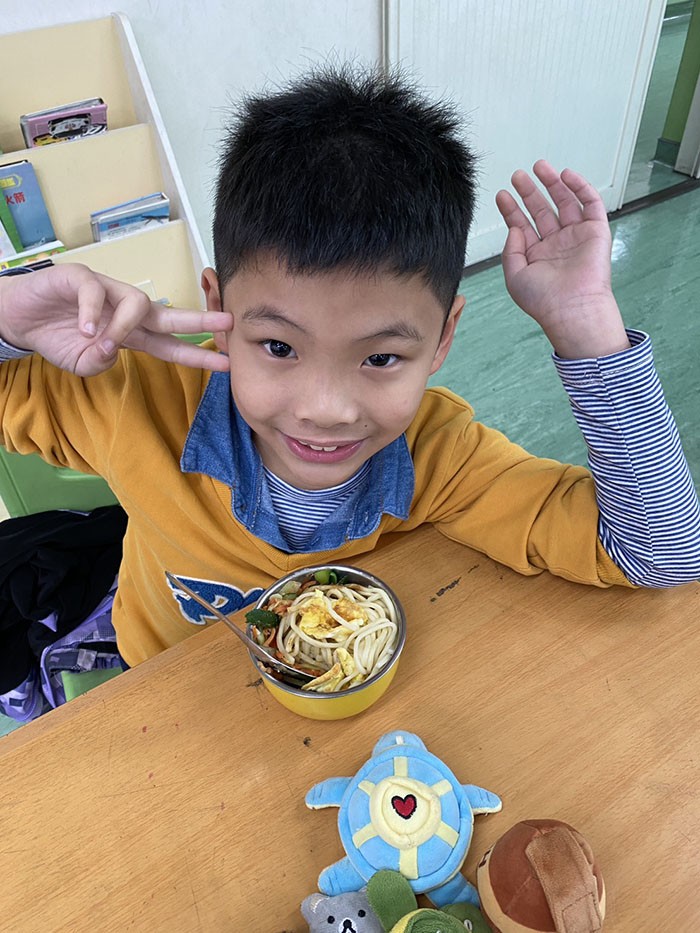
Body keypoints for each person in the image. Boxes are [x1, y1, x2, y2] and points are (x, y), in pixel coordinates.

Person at [0, 67, 698, 668]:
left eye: (381, 357)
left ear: (443, 339)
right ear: (218, 307)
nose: (325, 408)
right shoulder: (137, 397)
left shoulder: (439, 456)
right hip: (156, 696)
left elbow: (659, 554)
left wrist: (587, 328)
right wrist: (7, 318)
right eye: (279, 347)